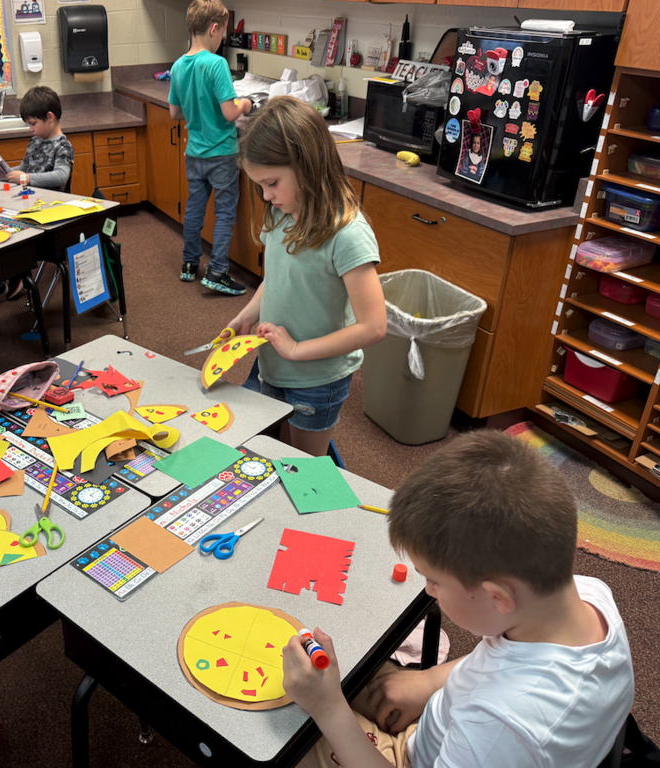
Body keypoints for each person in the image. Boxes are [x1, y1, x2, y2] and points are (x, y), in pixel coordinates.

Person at [283, 430, 635, 768]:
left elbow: (500, 717)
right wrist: (431, 680)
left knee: (279, 734)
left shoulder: (502, 725)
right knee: (339, 672)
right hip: (446, 727)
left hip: (412, 758)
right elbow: (506, 662)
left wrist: (330, 710)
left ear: (498, 597)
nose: (428, 591)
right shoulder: (584, 594)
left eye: (434, 581)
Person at [229, 96, 386, 457]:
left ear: (307, 165)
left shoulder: (347, 234)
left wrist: (298, 350)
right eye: (260, 186)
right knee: (270, 452)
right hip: (273, 364)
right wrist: (246, 315)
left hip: (316, 379)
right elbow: (277, 279)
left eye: (272, 183)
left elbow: (374, 327)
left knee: (302, 466)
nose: (266, 196)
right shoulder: (282, 212)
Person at [169, 0, 252, 295]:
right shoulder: (216, 64)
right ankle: (217, 271)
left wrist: (198, 110)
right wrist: (245, 104)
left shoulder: (178, 65)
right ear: (214, 28)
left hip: (194, 153)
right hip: (222, 153)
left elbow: (175, 113)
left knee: (194, 209)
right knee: (225, 212)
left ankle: (190, 264)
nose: (222, 39)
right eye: (223, 33)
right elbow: (230, 113)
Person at [5, 86, 74, 191]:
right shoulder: (35, 141)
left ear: (50, 117)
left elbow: (61, 176)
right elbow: (24, 168)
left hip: (51, 199)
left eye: (33, 123)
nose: (30, 129)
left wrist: (27, 178)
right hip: (31, 196)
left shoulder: (63, 146)